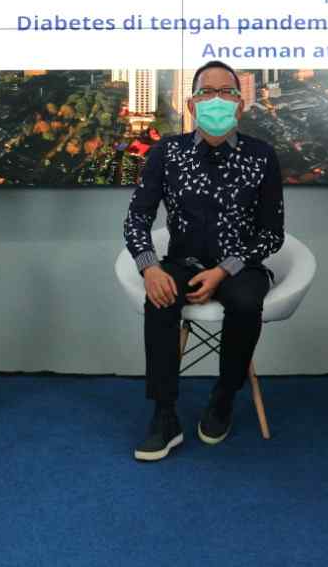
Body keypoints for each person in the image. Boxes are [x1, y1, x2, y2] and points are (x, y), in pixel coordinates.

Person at [123, 60, 285, 461]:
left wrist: (224, 270)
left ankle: (224, 396)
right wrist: (149, 267)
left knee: (245, 302)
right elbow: (137, 218)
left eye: (226, 92)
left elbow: (272, 233)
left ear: (240, 105)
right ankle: (164, 414)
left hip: (240, 263)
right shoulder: (168, 152)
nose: (217, 99)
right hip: (182, 260)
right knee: (159, 299)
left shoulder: (262, 156)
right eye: (206, 92)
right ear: (192, 104)